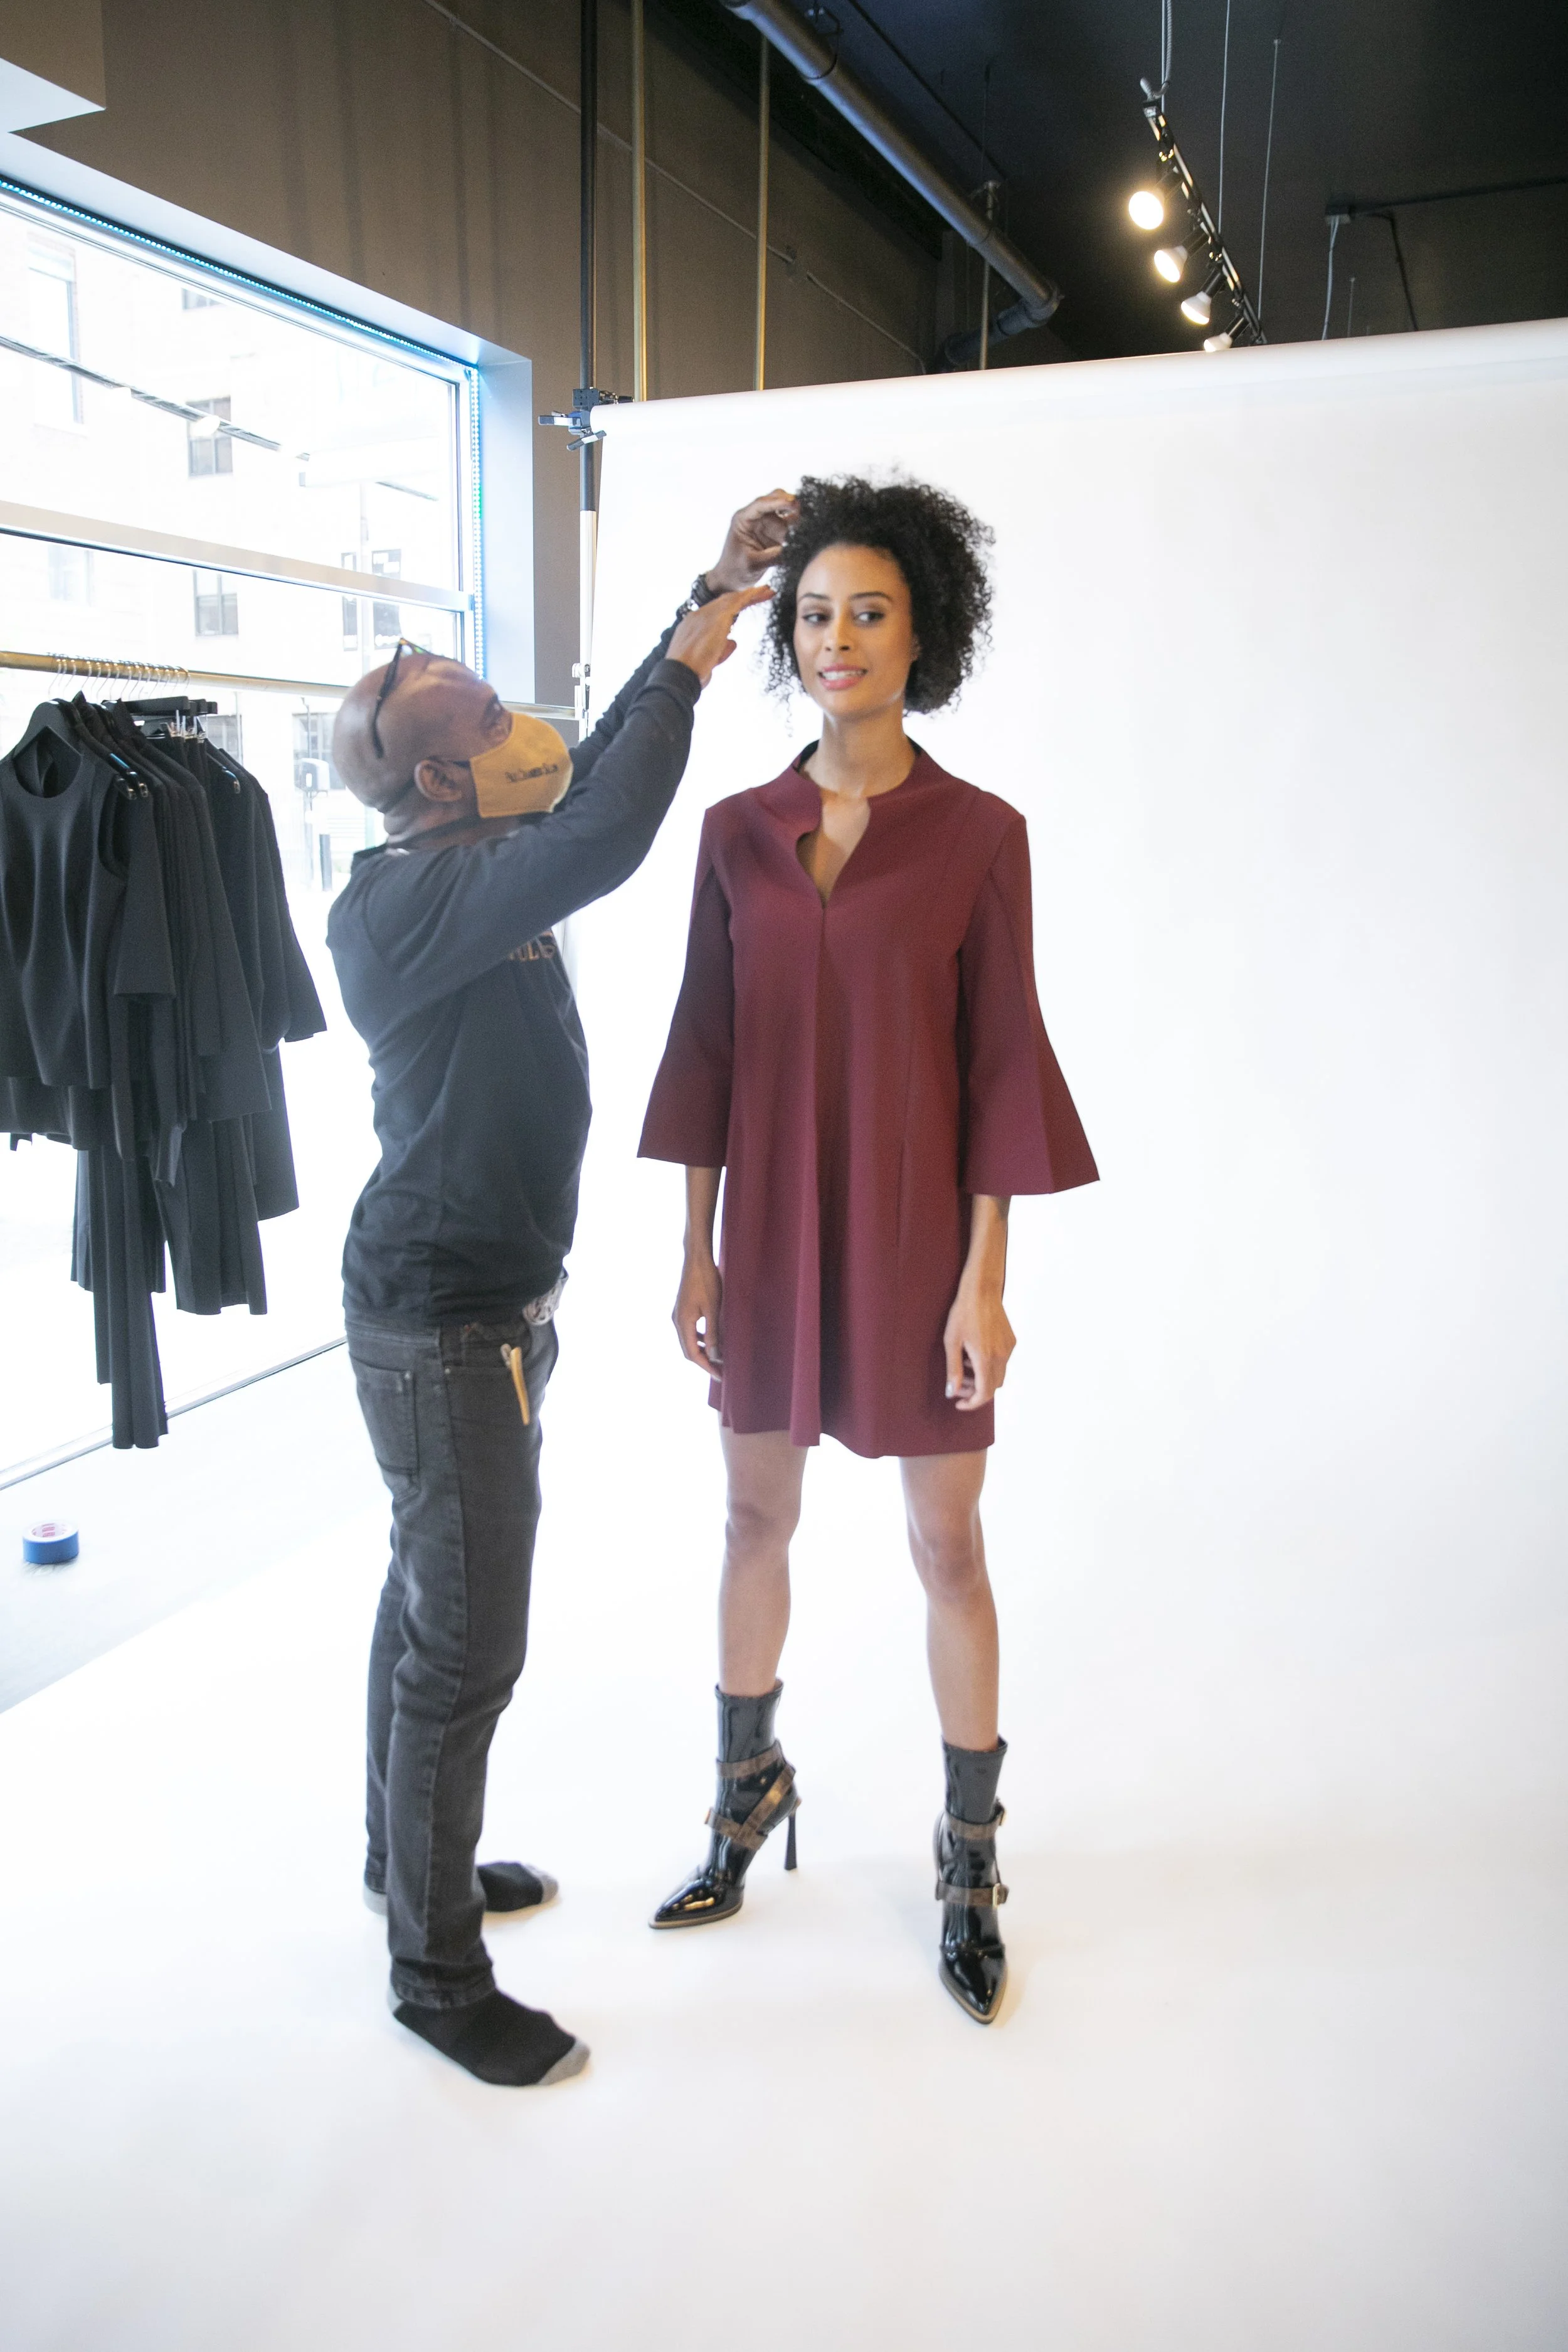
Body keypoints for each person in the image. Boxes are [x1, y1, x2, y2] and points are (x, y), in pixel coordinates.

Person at [327, 494, 790, 2087]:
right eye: (486, 717)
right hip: (441, 1324)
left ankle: (413, 1875)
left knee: (422, 1619)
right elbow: (606, 824)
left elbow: (582, 787)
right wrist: (699, 637)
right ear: (436, 778)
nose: (528, 728)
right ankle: (433, 1980)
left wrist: (713, 593)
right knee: (463, 1652)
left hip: (482, 1314)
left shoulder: (478, 853)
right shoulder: (404, 906)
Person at [638, 475, 1098, 2024]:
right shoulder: (734, 834)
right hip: (763, 1227)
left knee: (944, 1547)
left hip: (916, 1238)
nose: (836, 638)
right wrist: (694, 1249)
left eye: (869, 612)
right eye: (816, 613)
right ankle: (743, 1793)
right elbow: (703, 1048)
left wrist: (987, 1279)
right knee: (746, 1523)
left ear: (924, 634)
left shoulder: (979, 838)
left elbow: (999, 1071)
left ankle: (969, 1860)